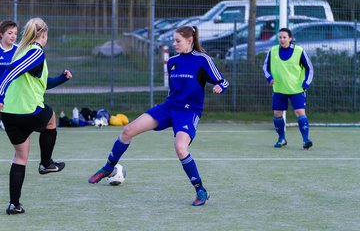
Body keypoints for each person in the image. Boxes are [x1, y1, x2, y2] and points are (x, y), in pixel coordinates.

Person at [88, 26, 229, 206]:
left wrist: (220, 87)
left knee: (180, 147)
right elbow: (173, 90)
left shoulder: (203, 60)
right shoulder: (172, 62)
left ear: (189, 41)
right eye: (174, 40)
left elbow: (223, 80)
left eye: (177, 41)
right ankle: (108, 168)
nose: (174, 44)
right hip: (168, 107)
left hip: (188, 112)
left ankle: (200, 190)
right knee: (128, 130)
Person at [0, 17, 73, 215]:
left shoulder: (22, 52)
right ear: (43, 34)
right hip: (27, 111)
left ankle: (14, 205)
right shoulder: (35, 52)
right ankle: (46, 164)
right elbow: (12, 71)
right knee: (51, 117)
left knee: (20, 157)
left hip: (8, 114)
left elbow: (41, 83)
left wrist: (62, 79)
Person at [262, 27, 313, 149]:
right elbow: (265, 67)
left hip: (296, 89)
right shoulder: (272, 51)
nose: (282, 39)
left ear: (290, 38)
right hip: (279, 89)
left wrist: (306, 83)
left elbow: (309, 68)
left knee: (300, 112)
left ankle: (306, 140)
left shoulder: (299, 51)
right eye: (280, 37)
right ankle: (281, 139)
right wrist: (269, 78)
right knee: (277, 114)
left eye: (284, 37)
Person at [0, 20, 18, 130]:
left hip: (14, 90)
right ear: (1, 34)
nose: (13, 36)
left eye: (15, 33)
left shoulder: (19, 50)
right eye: (10, 33)